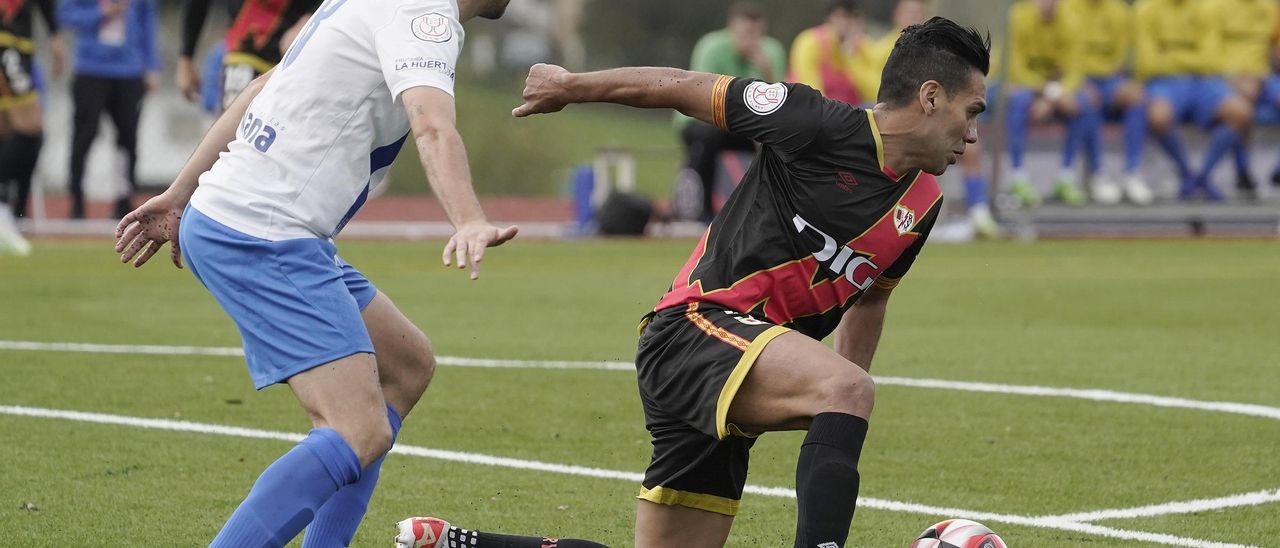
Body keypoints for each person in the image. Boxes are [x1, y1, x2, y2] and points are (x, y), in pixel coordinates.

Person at [111, 1, 599, 546]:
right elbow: (432, 128)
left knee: (406, 364)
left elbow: (268, 84)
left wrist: (183, 190)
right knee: (357, 429)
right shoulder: (427, 20)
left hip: (242, 219)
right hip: (263, 231)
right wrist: (468, 220)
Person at [506, 16, 989, 548]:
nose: (971, 134)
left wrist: (836, 409)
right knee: (848, 389)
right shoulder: (815, 122)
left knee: (846, 388)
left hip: (742, 362)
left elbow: (870, 301)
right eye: (970, 113)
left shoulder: (923, 202)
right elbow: (684, 87)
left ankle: (459, 540)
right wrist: (570, 86)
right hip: (692, 330)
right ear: (929, 96)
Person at [865, 0, 1000, 239]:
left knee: (970, 150)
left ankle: (978, 212)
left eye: (919, 12)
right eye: (909, 12)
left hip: (932, 120)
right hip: (895, 120)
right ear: (896, 15)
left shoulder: (939, 54)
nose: (914, 16)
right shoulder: (879, 50)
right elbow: (871, 87)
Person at [676, 1, 787, 222]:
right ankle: (700, 212)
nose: (751, 40)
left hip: (744, 125)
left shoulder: (771, 52)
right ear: (731, 29)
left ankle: (775, 212)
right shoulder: (711, 47)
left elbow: (781, 104)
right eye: (745, 33)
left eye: (756, 34)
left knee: (782, 141)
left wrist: (766, 71)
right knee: (708, 138)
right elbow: (699, 94)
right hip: (702, 121)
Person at [1135, 0, 1254, 201]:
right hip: (1164, 82)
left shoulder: (1205, 9)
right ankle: (1186, 172)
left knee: (1242, 113)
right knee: (1158, 117)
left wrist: (1169, 55)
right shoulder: (1146, 10)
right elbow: (1147, 63)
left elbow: (1211, 60)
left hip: (1202, 81)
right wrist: (1192, 58)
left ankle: (1203, 176)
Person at [59, 0, 159, 219]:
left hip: (129, 70)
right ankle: (77, 199)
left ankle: (123, 200)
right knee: (84, 135)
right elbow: (65, 16)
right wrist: (101, 12)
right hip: (90, 68)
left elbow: (148, 22)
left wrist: (151, 66)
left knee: (128, 138)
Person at [1060, 0, 1154, 205]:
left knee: (1136, 99)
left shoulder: (1120, 11)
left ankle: (1132, 173)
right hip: (1078, 79)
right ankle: (1097, 175)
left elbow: (1122, 57)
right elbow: (1065, 53)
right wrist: (1080, 81)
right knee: (1087, 101)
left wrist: (1117, 82)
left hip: (1109, 81)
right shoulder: (1068, 8)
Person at [1003, 0, 1089, 207]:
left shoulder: (1072, 20)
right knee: (1018, 101)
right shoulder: (1018, 17)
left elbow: (1075, 70)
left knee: (1081, 105)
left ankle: (1066, 177)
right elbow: (1016, 68)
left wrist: (1052, 97)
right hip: (1023, 86)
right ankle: (1018, 177)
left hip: (1054, 90)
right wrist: (1048, 91)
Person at [0, 0, 64, 255]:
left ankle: (6, 213)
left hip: (19, 38)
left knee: (5, 129)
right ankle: (3, 211)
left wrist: (55, 33)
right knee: (30, 128)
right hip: (7, 38)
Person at [178, 0, 321, 111]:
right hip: (244, 51)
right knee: (233, 135)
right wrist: (186, 56)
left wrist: (312, 18)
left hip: (296, 57)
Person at [1209, 0, 1278, 199]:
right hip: (1226, 76)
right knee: (1241, 109)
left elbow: (1274, 48)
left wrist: (1259, 77)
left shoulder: (1269, 7)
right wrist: (1231, 78)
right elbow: (1208, 51)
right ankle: (1243, 171)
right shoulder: (1215, 7)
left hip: (1262, 76)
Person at [787, 0, 877, 107]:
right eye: (842, 16)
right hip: (818, 111)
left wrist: (851, 58)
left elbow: (875, 94)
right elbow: (809, 90)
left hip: (852, 112)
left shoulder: (863, 45)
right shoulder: (811, 41)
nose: (847, 23)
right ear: (829, 18)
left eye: (852, 17)